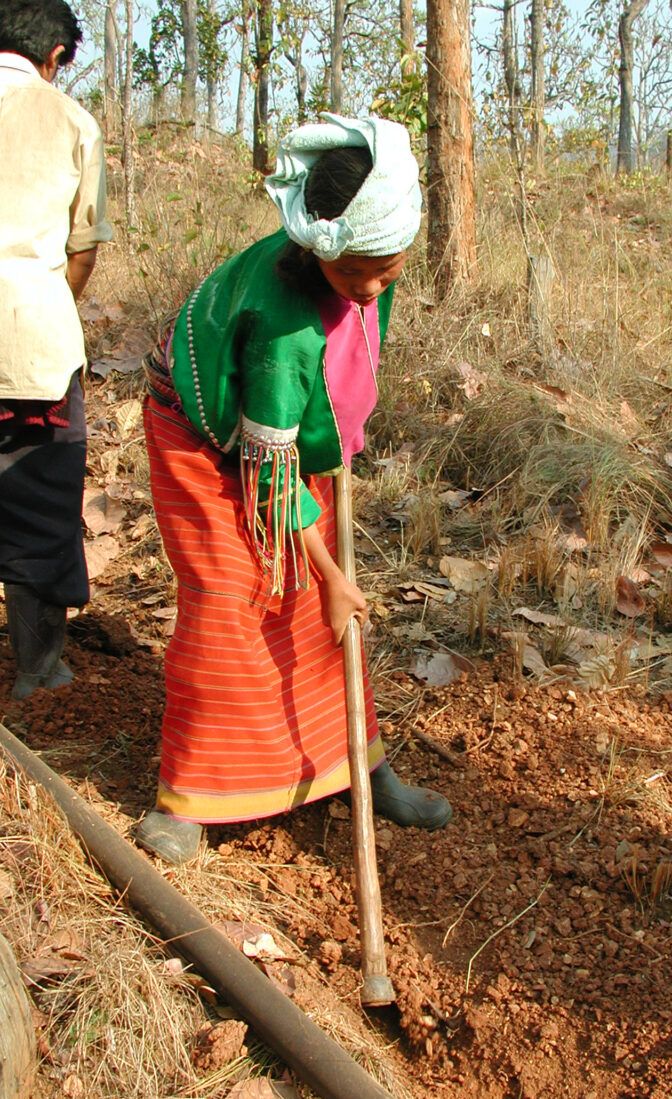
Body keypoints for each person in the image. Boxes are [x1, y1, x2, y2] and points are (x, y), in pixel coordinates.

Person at [136, 113, 452, 865]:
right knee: (231, 593)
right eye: (355, 276)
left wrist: (330, 568)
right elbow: (269, 474)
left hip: (279, 429)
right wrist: (335, 575)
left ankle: (358, 765)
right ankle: (189, 798)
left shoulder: (367, 272)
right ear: (317, 250)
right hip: (205, 434)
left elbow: (346, 364)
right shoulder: (282, 326)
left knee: (318, 604)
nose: (372, 288)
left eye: (388, 269)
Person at [0, 0, 113, 700]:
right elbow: (82, 249)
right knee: (38, 502)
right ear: (57, 56)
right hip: (32, 345)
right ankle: (37, 674)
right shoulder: (72, 121)